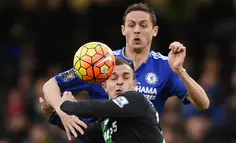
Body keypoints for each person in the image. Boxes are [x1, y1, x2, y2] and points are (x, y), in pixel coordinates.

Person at [43, 2, 209, 140]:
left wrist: (180, 71)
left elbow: (203, 103)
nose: (137, 30)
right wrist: (59, 112)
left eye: (143, 25)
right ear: (123, 30)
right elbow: (51, 84)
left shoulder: (166, 65)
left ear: (155, 31)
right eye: (131, 25)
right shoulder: (102, 62)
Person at [40, 58, 163, 143]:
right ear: (104, 86)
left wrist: (67, 105)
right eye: (113, 78)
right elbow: (87, 133)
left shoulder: (138, 101)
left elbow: (100, 107)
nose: (119, 82)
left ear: (134, 85)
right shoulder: (106, 122)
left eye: (126, 77)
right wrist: (54, 116)